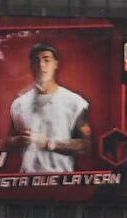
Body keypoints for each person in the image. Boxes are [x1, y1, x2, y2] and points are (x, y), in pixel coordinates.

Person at [6, 41, 91, 174]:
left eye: (47, 60)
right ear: (31, 65)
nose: (41, 65)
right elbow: (9, 140)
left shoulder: (74, 102)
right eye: (36, 61)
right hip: (26, 181)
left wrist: (48, 144)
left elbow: (86, 146)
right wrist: (17, 141)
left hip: (60, 180)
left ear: (56, 64)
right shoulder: (19, 104)